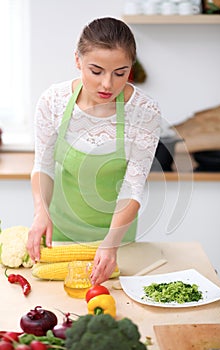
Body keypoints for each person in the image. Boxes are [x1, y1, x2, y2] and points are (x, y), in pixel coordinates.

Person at [27, 17, 161, 285]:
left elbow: (132, 187)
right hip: (60, 237)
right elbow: (43, 165)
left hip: (117, 239)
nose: (107, 85)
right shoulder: (53, 101)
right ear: (77, 60)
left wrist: (110, 244)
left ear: (130, 68)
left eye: (120, 73)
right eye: (96, 71)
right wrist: (41, 212)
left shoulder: (145, 112)